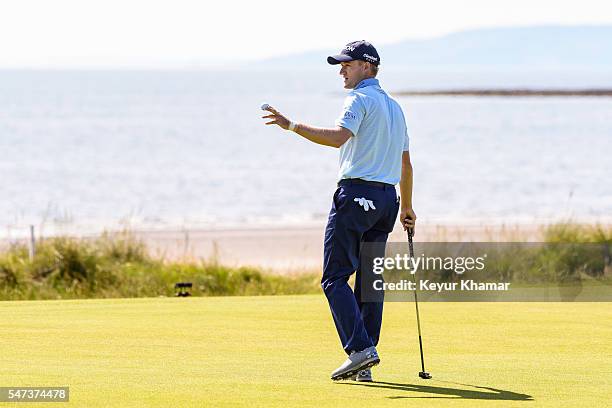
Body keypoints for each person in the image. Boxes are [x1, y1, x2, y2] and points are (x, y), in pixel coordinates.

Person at [261, 40, 416, 382]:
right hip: (387, 201)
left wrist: (291, 125)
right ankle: (366, 359)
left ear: (366, 66)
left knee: (334, 277)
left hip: (356, 196)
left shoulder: (359, 99)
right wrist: (407, 205)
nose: (341, 69)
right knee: (370, 281)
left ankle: (361, 351)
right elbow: (405, 164)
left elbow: (337, 138)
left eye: (347, 64)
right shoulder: (395, 107)